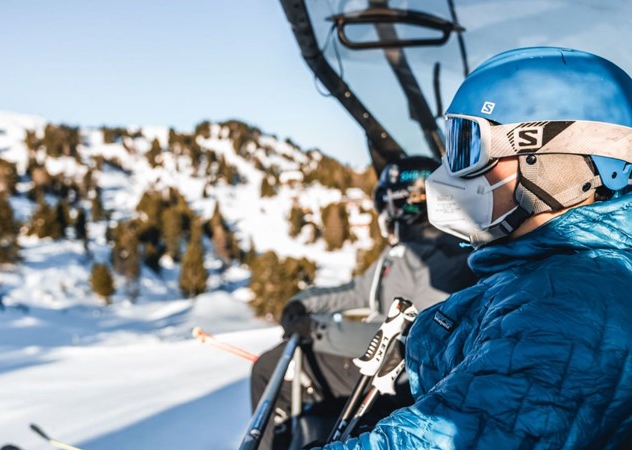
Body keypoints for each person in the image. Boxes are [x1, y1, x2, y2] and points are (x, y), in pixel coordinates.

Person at [318, 47, 632, 449]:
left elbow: (453, 435)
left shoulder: (574, 305)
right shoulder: (546, 274)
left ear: (550, 161)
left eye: (467, 146)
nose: (449, 174)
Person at [250, 156, 477, 449]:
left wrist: (318, 332)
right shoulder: (402, 252)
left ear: (401, 202)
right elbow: (357, 291)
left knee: (270, 368)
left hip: (398, 377)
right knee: (280, 363)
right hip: (379, 365)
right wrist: (302, 304)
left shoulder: (444, 258)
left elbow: (413, 339)